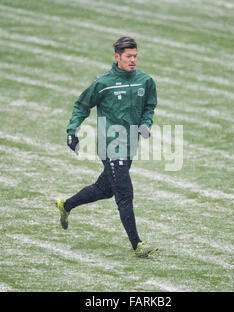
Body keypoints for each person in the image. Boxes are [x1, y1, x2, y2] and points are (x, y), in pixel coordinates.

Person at [56, 37, 158, 258]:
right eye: (129, 56)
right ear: (117, 57)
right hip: (110, 146)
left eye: (135, 56)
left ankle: (66, 205)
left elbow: (149, 106)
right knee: (124, 195)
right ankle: (138, 245)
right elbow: (82, 105)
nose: (133, 60)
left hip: (130, 145)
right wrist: (72, 131)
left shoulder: (145, 81)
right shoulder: (103, 83)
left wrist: (145, 124)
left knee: (105, 189)